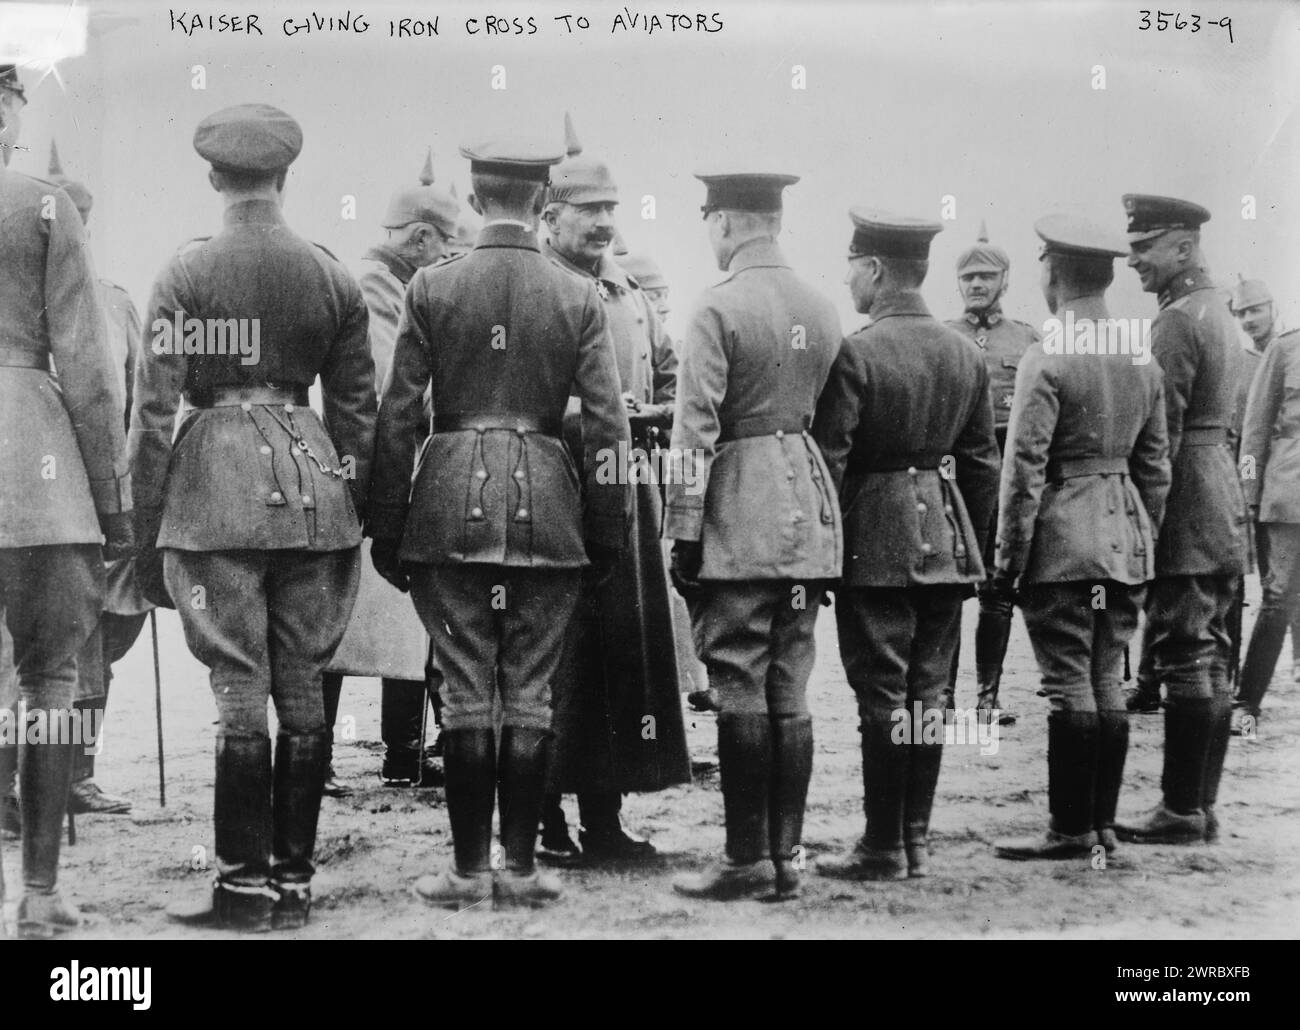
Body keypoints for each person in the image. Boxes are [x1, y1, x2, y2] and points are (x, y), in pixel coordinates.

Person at [367, 134, 631, 909]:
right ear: (544, 203)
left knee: (462, 692)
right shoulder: (577, 293)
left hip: (448, 508)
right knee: (530, 694)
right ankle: (521, 869)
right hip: (551, 511)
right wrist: (607, 529)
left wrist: (387, 522)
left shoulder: (431, 286)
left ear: (476, 200)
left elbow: (396, 414)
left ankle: (466, 868)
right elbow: (609, 427)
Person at [132, 103, 378, 931]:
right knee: (304, 687)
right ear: (286, 176)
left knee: (240, 690)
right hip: (316, 495)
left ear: (213, 176)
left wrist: (144, 521)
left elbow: (152, 413)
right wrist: (360, 508)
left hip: (215, 494)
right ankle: (295, 885)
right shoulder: (331, 274)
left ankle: (242, 890)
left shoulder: (187, 272)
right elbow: (357, 414)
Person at [668, 171, 842, 901]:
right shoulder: (821, 306)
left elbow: (694, 432)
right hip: (806, 509)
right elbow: (832, 427)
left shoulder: (718, 307)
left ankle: (746, 861)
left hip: (739, 512)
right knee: (789, 684)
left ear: (729, 222)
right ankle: (785, 859)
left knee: (738, 678)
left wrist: (682, 530)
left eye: (709, 219)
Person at [813, 210, 1000, 881]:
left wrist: (825, 550)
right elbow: (982, 466)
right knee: (930, 698)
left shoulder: (857, 352)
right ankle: (914, 840)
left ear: (876, 270)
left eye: (853, 266)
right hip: (946, 542)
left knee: (882, 698)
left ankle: (881, 845)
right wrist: (976, 549)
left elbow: (830, 462)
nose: (847, 277)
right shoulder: (963, 352)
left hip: (875, 544)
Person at [0, 64, 135, 938]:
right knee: (51, 681)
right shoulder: (44, 206)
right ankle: (41, 892)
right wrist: (113, 504)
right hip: (34, 466)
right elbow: (87, 366)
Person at [991, 214, 1170, 860]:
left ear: (1054, 272)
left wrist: (1008, 561)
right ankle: (1102, 826)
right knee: (1104, 679)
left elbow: (1023, 472)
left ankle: (1070, 830)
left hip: (1064, 543)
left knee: (1068, 682)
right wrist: (1144, 536)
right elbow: (1157, 468)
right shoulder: (1140, 353)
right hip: (1123, 540)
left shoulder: (1047, 354)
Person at [538, 133, 690, 863]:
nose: (602, 223)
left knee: (617, 661)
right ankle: (544, 821)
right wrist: (591, 420)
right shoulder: (535, 287)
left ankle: (604, 817)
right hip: (554, 500)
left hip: (624, 504)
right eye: (587, 209)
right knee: (554, 662)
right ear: (549, 213)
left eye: (610, 208)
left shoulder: (631, 296)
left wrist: (653, 415)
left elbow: (668, 379)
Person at [322, 152, 459, 792]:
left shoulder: (401, 283)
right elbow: (384, 386)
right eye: (448, 239)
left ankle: (404, 756)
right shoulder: (377, 285)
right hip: (367, 476)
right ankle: (324, 756)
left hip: (390, 470)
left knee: (401, 618)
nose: (453, 252)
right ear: (421, 237)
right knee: (346, 621)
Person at [1114, 194, 1246, 846]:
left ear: (1184, 247)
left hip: (1186, 501)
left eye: (1145, 248)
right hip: (1221, 493)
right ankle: (1201, 806)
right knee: (1215, 653)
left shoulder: (1173, 324)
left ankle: (1179, 811)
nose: (1134, 260)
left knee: (1183, 652)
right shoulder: (1218, 312)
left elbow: (1157, 438)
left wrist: (1144, 524)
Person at [48, 142, 152, 817]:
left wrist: (137, 495)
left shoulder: (115, 304)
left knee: (108, 632)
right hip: (39, 501)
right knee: (51, 647)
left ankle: (77, 770)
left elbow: (142, 403)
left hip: (105, 494)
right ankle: (45, 777)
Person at [944, 223, 1040, 724]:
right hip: (956, 470)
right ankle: (942, 698)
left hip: (1007, 468)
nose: (977, 285)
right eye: (969, 278)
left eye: (987, 277)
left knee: (998, 587)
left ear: (1005, 281)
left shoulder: (1026, 338)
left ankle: (987, 697)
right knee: (948, 586)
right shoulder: (945, 336)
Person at [1233, 323, 1300, 733]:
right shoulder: (1286, 348)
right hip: (1290, 491)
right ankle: (1247, 702)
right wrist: (1248, 493)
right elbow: (1254, 430)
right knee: (1278, 596)